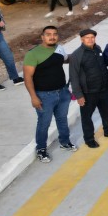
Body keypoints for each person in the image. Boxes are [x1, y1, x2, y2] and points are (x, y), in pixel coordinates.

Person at [23, 26, 74, 163]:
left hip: (62, 92)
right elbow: (27, 78)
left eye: (55, 34)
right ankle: (41, 149)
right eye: (48, 34)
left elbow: (66, 59)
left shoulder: (59, 49)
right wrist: (33, 97)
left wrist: (82, 53)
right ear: (42, 37)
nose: (52, 37)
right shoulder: (33, 54)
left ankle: (65, 142)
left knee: (62, 119)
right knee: (44, 123)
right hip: (44, 96)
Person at [69, 28, 108, 148]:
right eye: (87, 38)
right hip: (88, 92)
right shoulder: (77, 55)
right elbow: (74, 76)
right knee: (87, 117)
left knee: (107, 112)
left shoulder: (98, 49)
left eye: (92, 37)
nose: (90, 39)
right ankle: (89, 139)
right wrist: (79, 95)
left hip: (103, 89)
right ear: (82, 39)